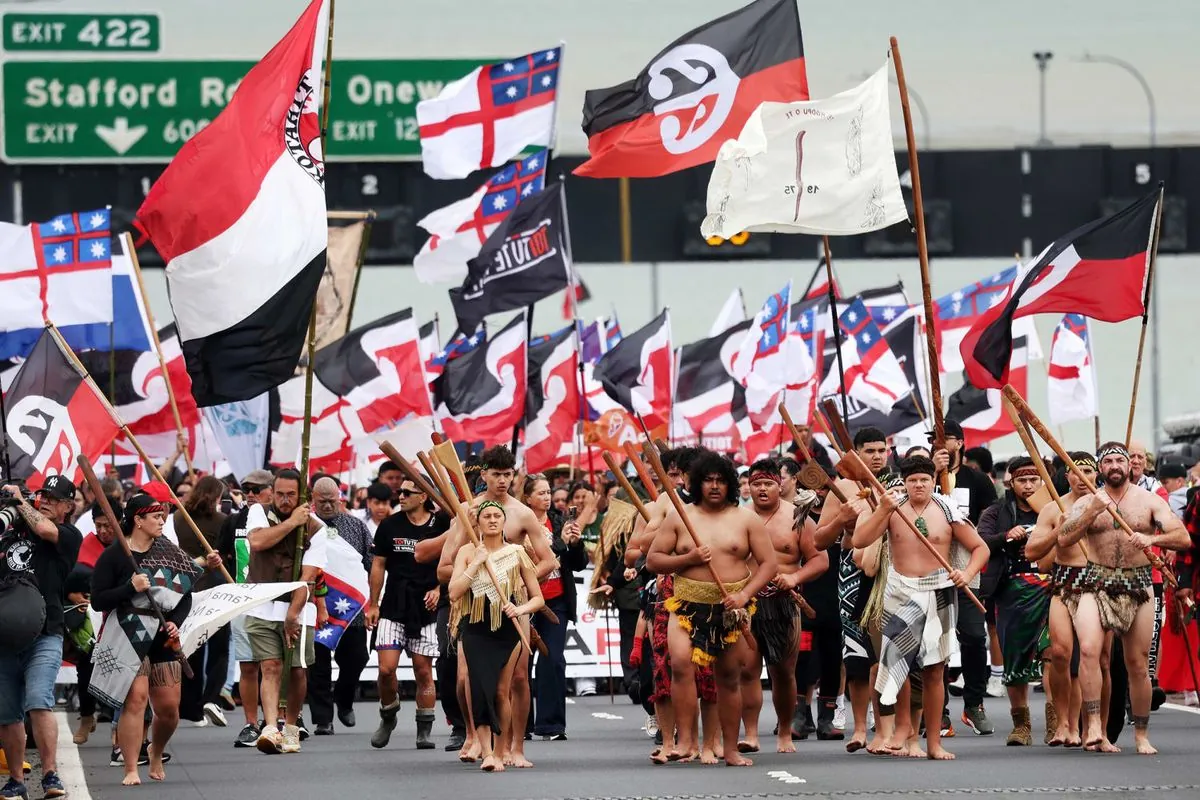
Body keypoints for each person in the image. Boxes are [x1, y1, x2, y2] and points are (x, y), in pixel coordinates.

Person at [1055, 442, 1189, 755]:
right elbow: (1063, 541)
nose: (1115, 466)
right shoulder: (1089, 500)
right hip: (1096, 581)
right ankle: (1095, 727)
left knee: (1137, 664)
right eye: (1108, 461)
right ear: (1101, 468)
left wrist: (1152, 538)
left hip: (1138, 583)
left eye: (1120, 460)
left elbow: (1182, 537)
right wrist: (1091, 512)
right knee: (1088, 650)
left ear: (1129, 466)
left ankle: (1141, 734)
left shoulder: (1149, 501)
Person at [853, 456, 990, 760]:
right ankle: (902, 728)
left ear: (932, 481)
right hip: (900, 591)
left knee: (934, 670)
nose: (918, 485)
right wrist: (883, 510)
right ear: (905, 482)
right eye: (912, 480)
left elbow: (981, 548)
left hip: (939, 591)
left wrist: (965, 574)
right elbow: (859, 540)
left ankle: (934, 744)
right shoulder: (892, 507)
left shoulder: (947, 509)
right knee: (897, 663)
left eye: (924, 480)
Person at [647, 450, 777, 767]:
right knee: (679, 664)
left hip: (730, 607)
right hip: (686, 605)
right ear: (697, 484)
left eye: (720, 480)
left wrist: (745, 594)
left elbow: (769, 564)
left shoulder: (745, 518)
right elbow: (653, 560)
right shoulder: (681, 516)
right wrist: (687, 560)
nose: (714, 486)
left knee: (728, 677)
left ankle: (730, 749)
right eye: (708, 480)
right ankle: (687, 741)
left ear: (730, 483)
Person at [90, 493, 223, 785]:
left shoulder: (169, 551)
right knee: (135, 700)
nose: (162, 521)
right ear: (138, 520)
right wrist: (130, 586)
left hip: (162, 636)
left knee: (169, 710)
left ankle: (155, 750)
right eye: (156, 517)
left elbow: (184, 597)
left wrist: (175, 622)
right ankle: (130, 769)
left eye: (163, 516)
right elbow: (98, 600)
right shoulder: (115, 554)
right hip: (128, 632)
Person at [435, 446, 556, 767]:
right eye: (496, 474)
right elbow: (444, 568)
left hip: (513, 605)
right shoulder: (467, 512)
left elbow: (547, 561)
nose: (502, 480)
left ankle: (515, 747)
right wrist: (472, 572)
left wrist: (516, 578)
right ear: (483, 474)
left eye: (507, 474)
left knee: (517, 679)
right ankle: (474, 736)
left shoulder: (522, 514)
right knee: (466, 678)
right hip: (472, 607)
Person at [812, 427, 896, 752]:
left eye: (881, 450)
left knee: (889, 654)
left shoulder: (897, 486)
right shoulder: (842, 488)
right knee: (858, 655)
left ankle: (886, 728)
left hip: (894, 571)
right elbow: (819, 540)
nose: (877, 456)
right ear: (856, 453)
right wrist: (841, 520)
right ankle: (859, 728)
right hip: (852, 571)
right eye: (870, 451)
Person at [0, 477, 82, 800]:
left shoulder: (68, 536)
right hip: (6, 633)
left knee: (38, 700)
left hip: (45, 632)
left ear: (68, 507)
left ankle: (50, 774)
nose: (46, 500)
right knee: (7, 714)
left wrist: (20, 501)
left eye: (54, 497)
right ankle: (16, 780)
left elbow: (46, 530)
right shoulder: (10, 529)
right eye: (43, 495)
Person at [448, 501, 546, 772]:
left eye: (497, 516)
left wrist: (520, 608)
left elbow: (538, 598)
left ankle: (502, 751)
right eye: (486, 516)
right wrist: (476, 563)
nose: (492, 520)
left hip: (508, 628)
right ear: (477, 522)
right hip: (476, 628)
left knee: (502, 691)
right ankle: (488, 753)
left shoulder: (516, 553)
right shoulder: (468, 552)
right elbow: (454, 592)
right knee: (479, 689)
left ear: (504, 522)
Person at [740, 459, 828, 754]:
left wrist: (794, 577)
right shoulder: (737, 517)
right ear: (748, 486)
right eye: (756, 484)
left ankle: (785, 735)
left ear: (780, 485)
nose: (762, 489)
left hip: (784, 605)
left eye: (768, 484)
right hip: (746, 604)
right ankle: (751, 735)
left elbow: (820, 559)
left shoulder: (798, 517)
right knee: (747, 671)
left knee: (783, 672)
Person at [244, 470, 330, 755]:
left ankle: (291, 727)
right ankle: (270, 727)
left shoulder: (316, 529)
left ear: (302, 495)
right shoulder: (259, 512)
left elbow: (308, 577)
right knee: (270, 666)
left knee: (296, 672)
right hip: (261, 605)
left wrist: (293, 614)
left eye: (290, 494)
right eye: (279, 493)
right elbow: (257, 542)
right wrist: (292, 522)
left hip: (298, 609)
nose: (283, 499)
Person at [364, 477, 450, 749]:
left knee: (423, 670)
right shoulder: (390, 525)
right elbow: (378, 565)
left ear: (423, 497)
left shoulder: (442, 524)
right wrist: (373, 603)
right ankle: (388, 714)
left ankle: (424, 729)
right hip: (393, 604)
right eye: (398, 492)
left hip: (426, 606)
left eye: (406, 492)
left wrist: (439, 588)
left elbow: (454, 560)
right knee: (386, 669)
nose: (400, 496)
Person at [1026, 452, 1100, 748]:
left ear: (1097, 475)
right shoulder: (1052, 509)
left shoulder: (1107, 504)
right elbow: (1032, 553)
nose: (1082, 475)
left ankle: (1094, 726)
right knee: (1059, 653)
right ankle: (1063, 724)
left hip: (1097, 585)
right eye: (1075, 471)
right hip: (1064, 583)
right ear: (1066, 476)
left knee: (1094, 658)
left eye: (1087, 470)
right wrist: (1060, 529)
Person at [931, 421, 998, 738]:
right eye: (934, 439)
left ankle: (974, 703)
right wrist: (932, 473)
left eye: (946, 439)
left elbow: (988, 525)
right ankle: (937, 711)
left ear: (961, 442)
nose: (940, 443)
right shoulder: (922, 475)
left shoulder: (977, 480)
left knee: (973, 635)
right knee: (935, 641)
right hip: (931, 569)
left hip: (967, 566)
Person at [978, 457, 1050, 746]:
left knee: (1054, 655)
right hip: (1012, 591)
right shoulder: (996, 511)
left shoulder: (1055, 509)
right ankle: (1021, 725)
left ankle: (1058, 723)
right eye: (1023, 480)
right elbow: (979, 541)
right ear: (1011, 482)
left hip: (1053, 589)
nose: (1029, 485)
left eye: (1034, 479)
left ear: (1043, 481)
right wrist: (1006, 536)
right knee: (1015, 660)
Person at [523, 476, 588, 743]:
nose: (547, 497)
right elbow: (541, 557)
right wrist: (560, 543)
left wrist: (574, 544)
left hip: (556, 600)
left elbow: (578, 563)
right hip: (524, 600)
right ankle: (520, 723)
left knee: (553, 659)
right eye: (541, 493)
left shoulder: (559, 520)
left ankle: (551, 725)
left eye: (549, 491)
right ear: (527, 498)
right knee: (520, 664)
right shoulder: (519, 524)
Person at [306, 477, 372, 736]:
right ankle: (324, 719)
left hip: (350, 607)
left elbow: (370, 562)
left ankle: (344, 700)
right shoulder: (306, 526)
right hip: (316, 605)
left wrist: (369, 599)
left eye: (332, 501)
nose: (327, 506)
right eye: (321, 502)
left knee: (357, 658)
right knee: (318, 664)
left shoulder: (356, 526)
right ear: (313, 500)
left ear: (340, 498)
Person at [216, 469, 273, 748]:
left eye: (257, 489)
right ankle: (251, 724)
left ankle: (280, 721)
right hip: (242, 601)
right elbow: (224, 555)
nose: (250, 494)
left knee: (273, 665)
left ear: (270, 491)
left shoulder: (279, 520)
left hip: (274, 601)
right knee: (248, 666)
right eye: (246, 489)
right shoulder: (233, 522)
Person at [175, 476, 230, 729]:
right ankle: (210, 697)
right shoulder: (222, 521)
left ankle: (190, 706)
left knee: (193, 648)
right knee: (219, 648)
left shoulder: (178, 518)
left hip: (187, 588)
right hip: (216, 588)